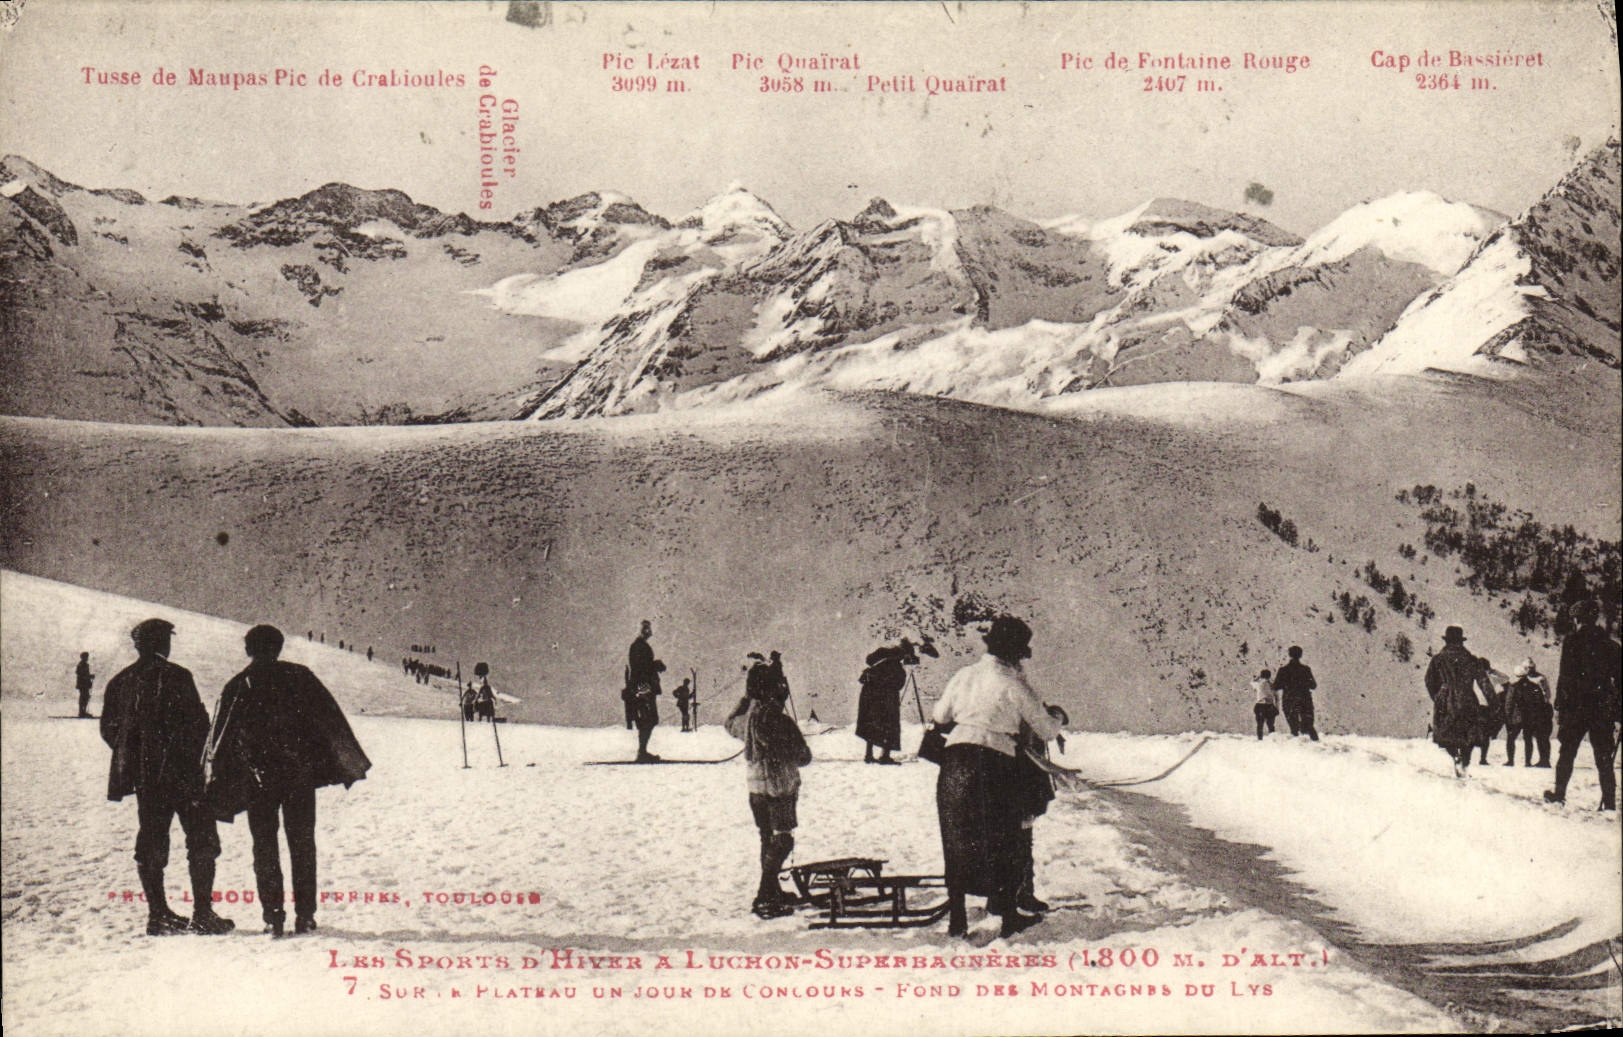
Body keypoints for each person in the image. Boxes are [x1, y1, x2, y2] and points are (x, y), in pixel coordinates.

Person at [204, 625, 371, 937]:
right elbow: (329, 721)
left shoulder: (238, 685)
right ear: (278, 648)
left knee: (264, 846)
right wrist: (340, 763)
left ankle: (273, 917)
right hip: (299, 777)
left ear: (248, 649)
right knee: (303, 844)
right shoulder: (300, 676)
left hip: (258, 781)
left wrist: (219, 782)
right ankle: (305, 916)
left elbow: (222, 739)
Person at [100, 618, 234, 936]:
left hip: (147, 779)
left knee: (151, 842)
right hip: (184, 776)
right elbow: (198, 725)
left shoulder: (120, 681)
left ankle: (158, 915)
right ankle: (202, 914)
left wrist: (137, 758)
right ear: (163, 643)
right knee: (202, 840)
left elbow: (109, 730)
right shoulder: (177, 675)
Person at [933, 615, 1062, 939]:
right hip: (994, 763)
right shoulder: (1013, 683)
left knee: (956, 837)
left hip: (954, 759)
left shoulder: (964, 675)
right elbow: (1046, 729)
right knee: (1004, 839)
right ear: (1016, 654)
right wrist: (1057, 716)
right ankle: (1008, 916)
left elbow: (940, 715)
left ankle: (958, 918)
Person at [723, 664, 812, 919]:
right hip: (780, 788)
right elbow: (804, 756)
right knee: (783, 840)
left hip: (756, 789)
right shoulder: (780, 721)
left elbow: (729, 723)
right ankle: (765, 894)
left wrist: (746, 699)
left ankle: (772, 892)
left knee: (766, 838)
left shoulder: (748, 720)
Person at [1544, 601, 1620, 810]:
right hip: (1601, 708)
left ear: (1578, 619)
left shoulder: (1572, 642)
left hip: (1576, 707)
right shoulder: (1612, 646)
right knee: (1604, 758)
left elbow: (1565, 677)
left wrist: (1559, 705)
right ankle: (1610, 804)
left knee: (1567, 753)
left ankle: (1559, 794)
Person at [1012, 703, 1068, 914]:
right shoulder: (1030, 732)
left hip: (1018, 792)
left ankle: (1006, 896)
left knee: (1013, 844)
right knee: (1021, 845)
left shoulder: (1025, 724)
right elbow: (1031, 759)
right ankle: (1023, 895)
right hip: (1023, 794)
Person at [1426, 626, 1496, 778]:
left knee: (1446, 734)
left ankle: (1454, 756)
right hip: (1467, 698)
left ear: (1447, 641)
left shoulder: (1438, 659)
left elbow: (1429, 681)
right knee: (1467, 734)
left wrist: (1438, 697)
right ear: (1461, 641)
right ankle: (1464, 762)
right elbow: (1484, 682)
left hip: (1445, 700)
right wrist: (1493, 702)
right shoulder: (1471, 660)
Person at [855, 639, 918, 764]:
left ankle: (869, 755)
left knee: (872, 724)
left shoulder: (881, 658)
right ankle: (885, 756)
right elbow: (898, 684)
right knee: (890, 725)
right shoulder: (896, 666)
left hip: (869, 696)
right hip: (887, 699)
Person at [624, 620, 664, 761]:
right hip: (642, 686)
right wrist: (655, 665)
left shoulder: (640, 646)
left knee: (649, 718)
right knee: (649, 718)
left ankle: (642, 751)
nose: (649, 632)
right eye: (647, 629)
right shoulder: (638, 646)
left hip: (643, 685)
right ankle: (642, 752)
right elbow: (641, 667)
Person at [1503, 658, 1552, 768]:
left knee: (1511, 738)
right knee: (1529, 739)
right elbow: (1544, 697)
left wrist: (1508, 716)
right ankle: (1528, 762)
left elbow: (1509, 703)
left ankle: (1511, 760)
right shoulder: (1536, 683)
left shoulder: (1514, 685)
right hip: (1531, 716)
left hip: (1517, 717)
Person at [1275, 646, 1319, 740]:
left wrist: (1287, 684)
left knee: (1294, 728)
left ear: (1289, 655)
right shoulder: (1306, 669)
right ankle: (1315, 744)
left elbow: (1276, 686)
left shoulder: (1283, 670)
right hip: (1305, 699)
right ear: (1301, 655)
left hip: (1289, 700)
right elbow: (1313, 685)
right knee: (1309, 726)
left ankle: (1298, 745)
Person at [1251, 668, 1277, 740]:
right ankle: (1272, 738)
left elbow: (1252, 681)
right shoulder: (1271, 684)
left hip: (1260, 705)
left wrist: (1258, 677)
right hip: (1269, 705)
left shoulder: (1258, 684)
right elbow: (1276, 695)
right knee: (1271, 725)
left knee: (1260, 725)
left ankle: (1260, 739)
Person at [75, 651, 95, 717]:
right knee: (84, 697)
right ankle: (82, 712)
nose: (87, 658)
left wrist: (89, 677)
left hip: (84, 684)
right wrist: (90, 676)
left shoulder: (84, 665)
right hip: (83, 684)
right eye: (86, 657)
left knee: (85, 697)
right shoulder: (82, 665)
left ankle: (83, 712)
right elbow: (82, 674)